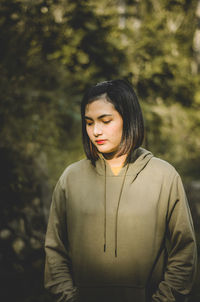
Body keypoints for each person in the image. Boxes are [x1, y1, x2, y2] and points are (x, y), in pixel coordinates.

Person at [44, 79, 197, 302]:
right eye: (89, 122)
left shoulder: (164, 176)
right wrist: (68, 298)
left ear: (129, 119)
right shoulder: (71, 178)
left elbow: (184, 252)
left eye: (105, 121)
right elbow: (55, 249)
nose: (96, 131)